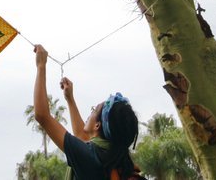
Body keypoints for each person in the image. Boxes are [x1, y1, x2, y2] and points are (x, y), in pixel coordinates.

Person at [33, 44, 140, 180]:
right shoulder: (112, 156)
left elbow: (42, 115)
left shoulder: (92, 157)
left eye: (94, 110)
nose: (90, 113)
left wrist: (41, 66)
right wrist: (70, 99)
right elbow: (82, 137)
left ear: (97, 125)